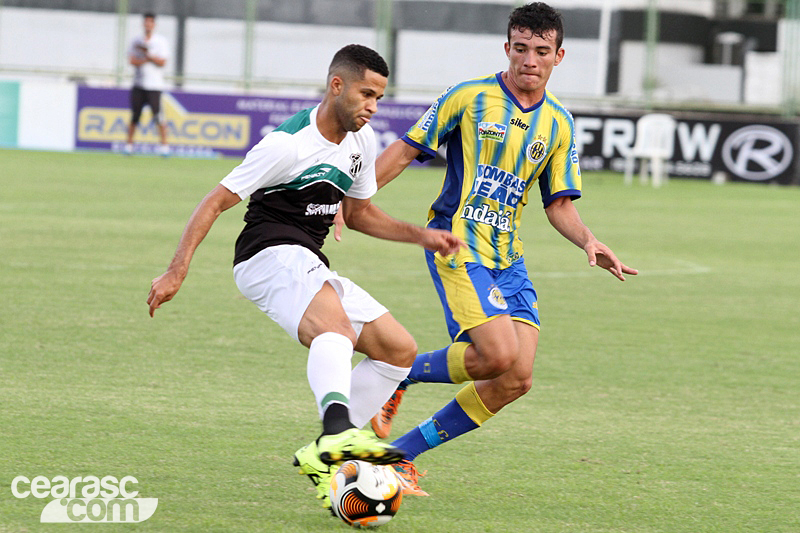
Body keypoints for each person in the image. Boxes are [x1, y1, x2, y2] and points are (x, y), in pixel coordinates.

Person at [146, 44, 463, 511]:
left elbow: (358, 215)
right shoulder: (287, 144)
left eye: (379, 97)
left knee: (398, 350)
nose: (372, 107)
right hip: (265, 256)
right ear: (337, 86)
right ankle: (337, 434)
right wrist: (177, 270)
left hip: (307, 260)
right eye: (365, 94)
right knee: (333, 327)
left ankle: (327, 453)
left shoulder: (361, 142)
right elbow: (215, 201)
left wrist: (421, 236)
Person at [364, 2, 638, 495]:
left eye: (540, 51)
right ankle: (399, 372)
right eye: (520, 48)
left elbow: (559, 205)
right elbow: (405, 150)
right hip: (456, 244)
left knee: (516, 378)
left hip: (507, 259)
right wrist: (355, 199)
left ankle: (397, 455)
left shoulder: (558, 123)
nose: (529, 60)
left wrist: (589, 240)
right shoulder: (468, 96)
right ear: (506, 48)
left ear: (558, 56)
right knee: (494, 355)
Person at [125, 12, 170, 156]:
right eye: (146, 22)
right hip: (138, 84)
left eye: (150, 22)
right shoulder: (136, 40)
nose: (148, 25)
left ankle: (164, 147)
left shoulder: (160, 41)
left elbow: (162, 62)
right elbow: (132, 60)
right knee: (135, 116)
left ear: (154, 24)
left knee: (158, 116)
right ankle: (129, 146)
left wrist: (148, 55)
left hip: (154, 85)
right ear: (143, 24)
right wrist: (145, 58)